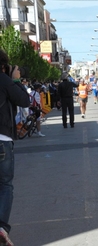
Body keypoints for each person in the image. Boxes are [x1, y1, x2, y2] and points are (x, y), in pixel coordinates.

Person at [0, 50, 31, 246]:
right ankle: (2, 226)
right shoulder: (4, 80)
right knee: (5, 185)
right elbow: (24, 100)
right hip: (2, 138)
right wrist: (16, 80)